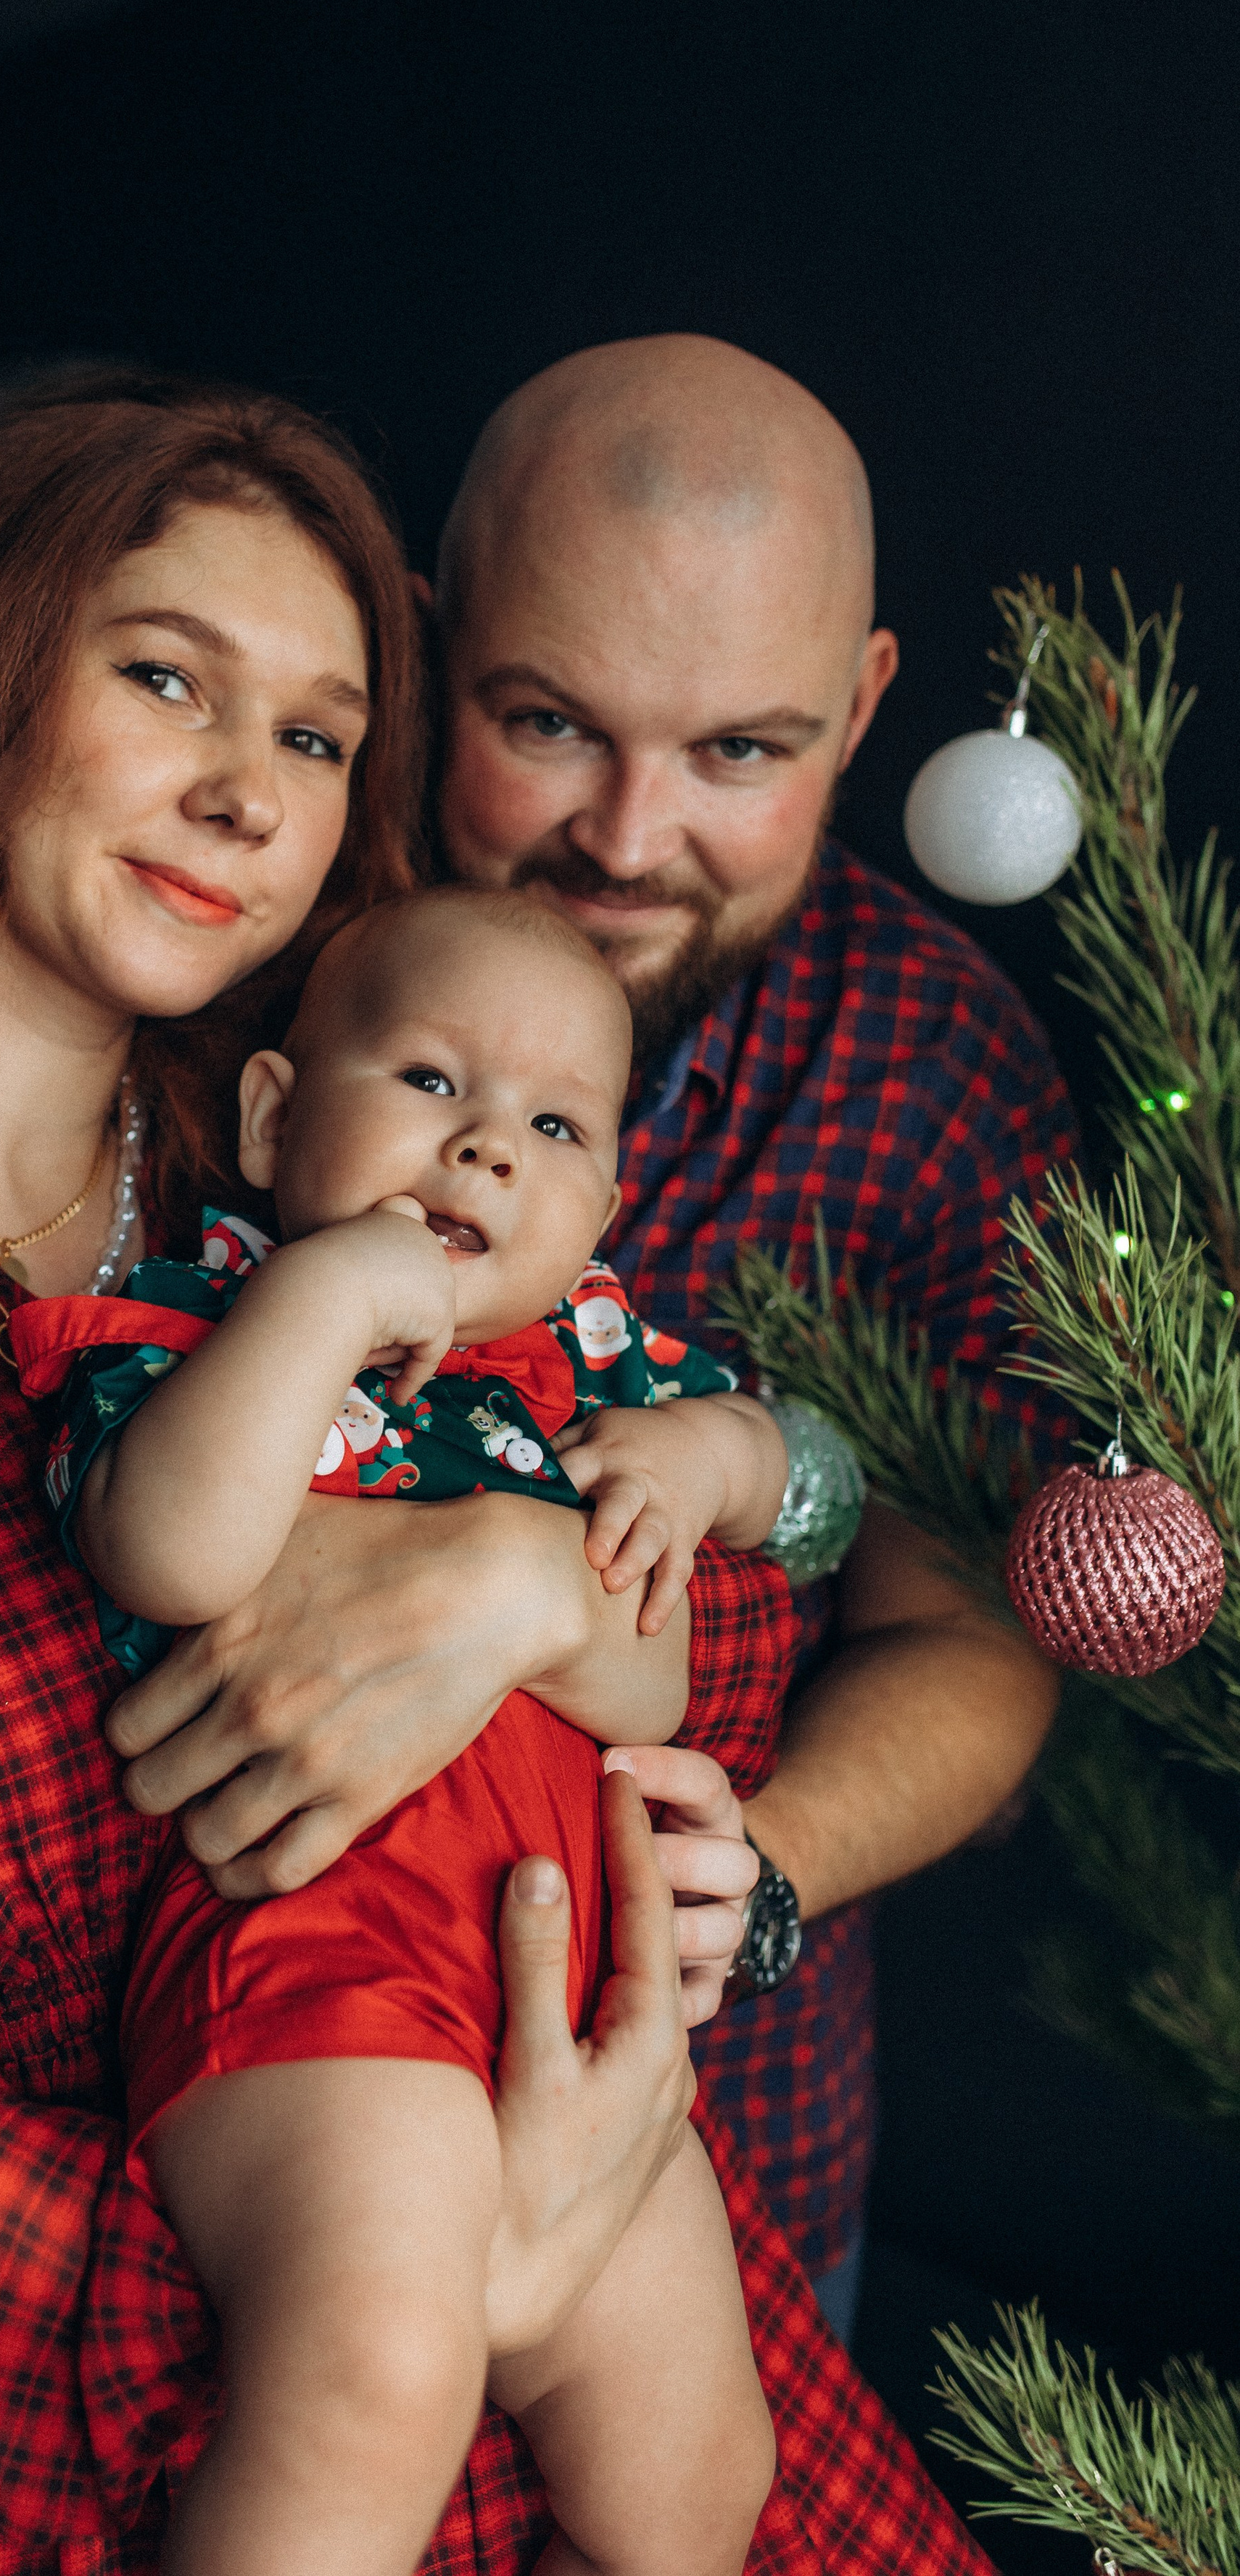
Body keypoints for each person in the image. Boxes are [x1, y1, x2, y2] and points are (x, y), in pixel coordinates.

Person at [0, 375, 992, 2572]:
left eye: (321, 739)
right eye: (167, 678)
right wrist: (399, 2304)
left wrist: (544, 1580)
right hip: (136, 2438)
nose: (246, 794)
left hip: (633, 2297)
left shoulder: (328, 1134)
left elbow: (710, 1684)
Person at [15, 886, 788, 2576]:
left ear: (599, 1207)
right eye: (431, 1083)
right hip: (316, 1983)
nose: (486, 1149)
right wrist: (334, 1293)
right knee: (377, 2377)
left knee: (700, 2476)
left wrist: (705, 1462)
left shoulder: (588, 1389)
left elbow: (647, 1688)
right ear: (280, 1114)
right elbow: (167, 1547)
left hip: (576, 2006)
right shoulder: (207, 1322)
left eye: (551, 1125)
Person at [430, 334, 1078, 2328]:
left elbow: (970, 1637)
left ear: (867, 706)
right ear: (432, 628)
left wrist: (759, 1873)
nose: (628, 841)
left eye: (741, 752)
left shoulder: (935, 1066)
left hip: (734, 2170)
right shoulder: (250, 946)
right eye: (547, 720)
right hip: (187, 2119)